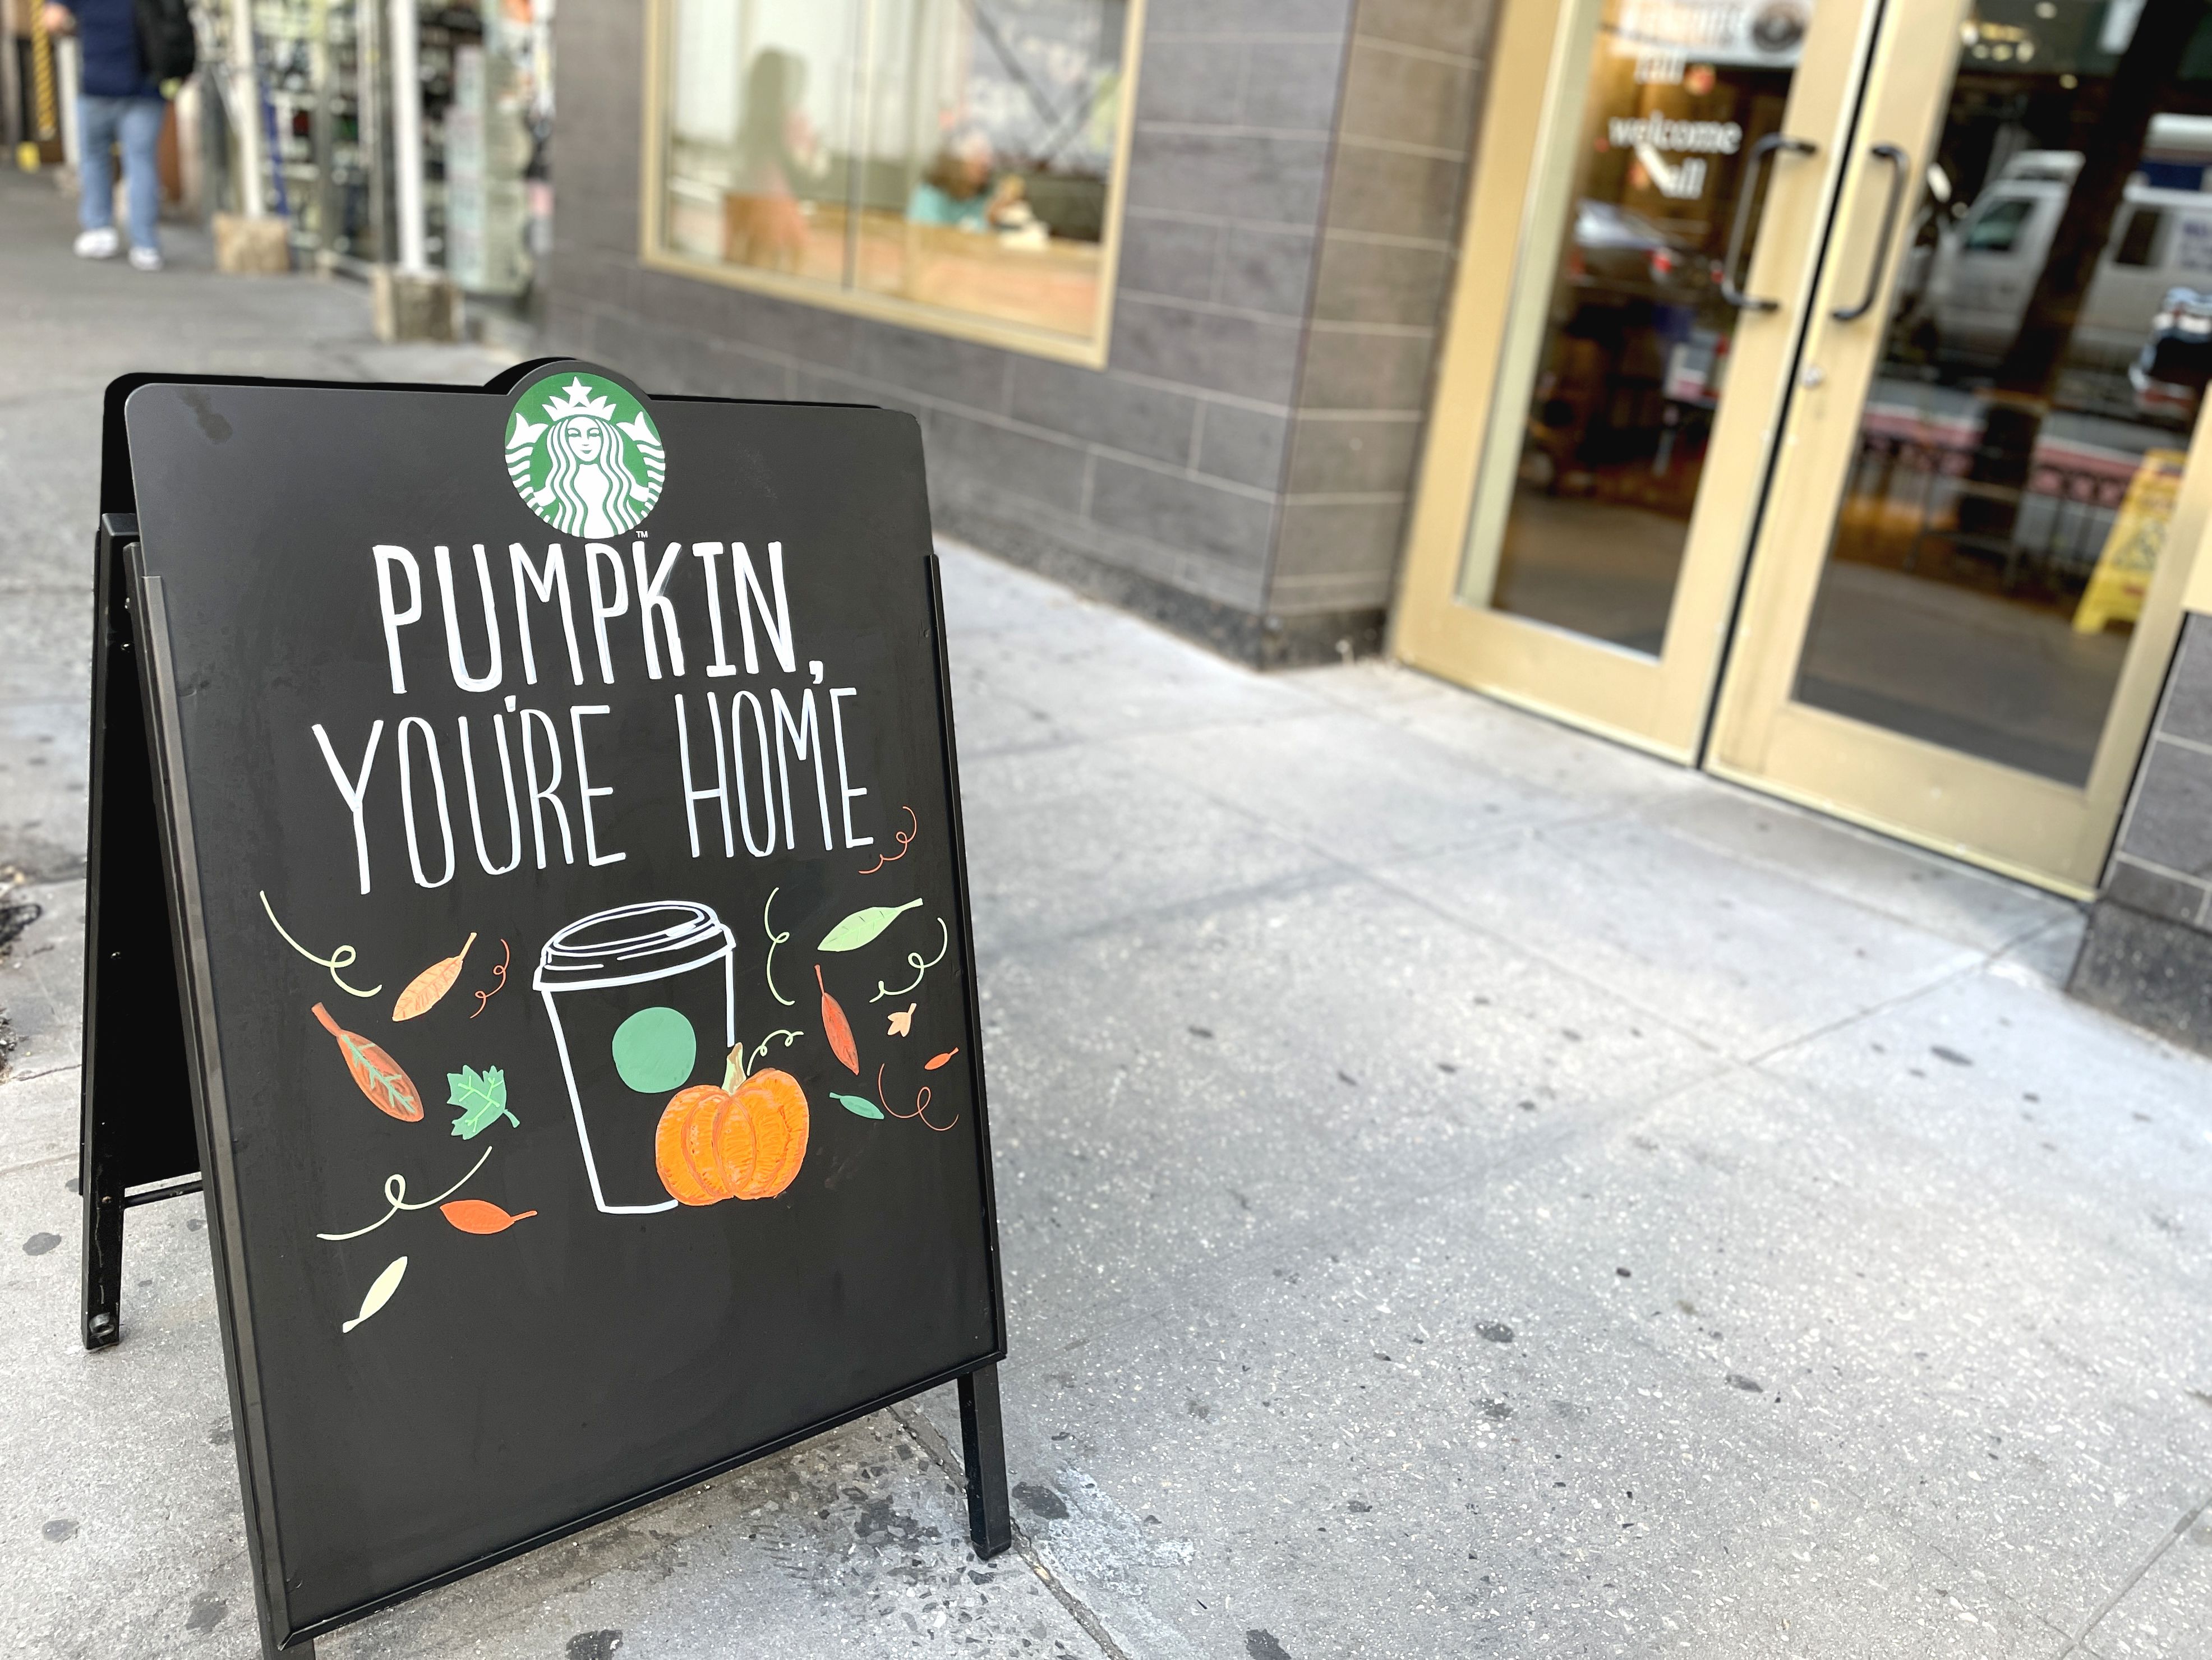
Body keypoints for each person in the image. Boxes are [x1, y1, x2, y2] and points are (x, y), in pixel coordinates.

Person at [42, 0, 169, 271]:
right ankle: (145, 245)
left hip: (97, 84)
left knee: (95, 157)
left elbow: (52, 20)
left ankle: (100, 231)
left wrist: (79, 30)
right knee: (141, 163)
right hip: (146, 87)